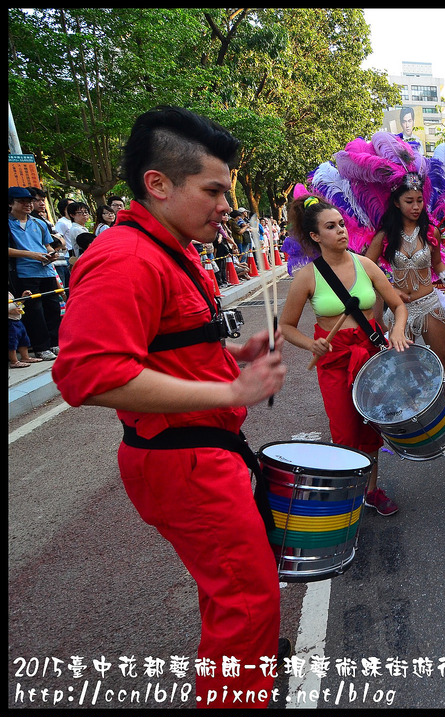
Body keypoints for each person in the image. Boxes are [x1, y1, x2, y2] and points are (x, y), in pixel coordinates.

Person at [51, 106, 288, 707]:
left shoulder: (169, 248)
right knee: (247, 602)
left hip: (202, 457)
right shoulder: (126, 258)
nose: (225, 205)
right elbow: (87, 374)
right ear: (158, 184)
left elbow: (166, 341)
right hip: (185, 464)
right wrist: (229, 393)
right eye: (212, 190)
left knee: (234, 597)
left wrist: (232, 352)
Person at [279, 196, 410, 516]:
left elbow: (399, 305)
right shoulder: (307, 277)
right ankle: (348, 495)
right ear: (315, 236)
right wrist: (311, 345)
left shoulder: (366, 265)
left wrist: (397, 330)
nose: (340, 231)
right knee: (345, 432)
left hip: (370, 355)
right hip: (335, 361)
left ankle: (371, 491)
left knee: (371, 428)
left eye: (341, 224)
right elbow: (285, 326)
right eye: (330, 227)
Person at [364, 173, 445, 437]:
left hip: (428, 304)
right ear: (396, 203)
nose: (416, 206)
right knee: (406, 369)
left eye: (419, 201)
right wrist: (387, 291)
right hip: (400, 313)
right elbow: (366, 268)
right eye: (409, 201)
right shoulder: (385, 236)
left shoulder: (430, 231)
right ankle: (417, 420)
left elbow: (437, 263)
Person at [8, 186, 62, 360]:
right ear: (11, 203)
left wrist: (51, 255)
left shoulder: (39, 222)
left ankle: (55, 343)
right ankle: (41, 346)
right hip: (25, 273)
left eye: (30, 201)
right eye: (22, 201)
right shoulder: (9, 223)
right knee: (34, 311)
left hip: (45, 270)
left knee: (52, 308)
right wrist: (31, 254)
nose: (28, 205)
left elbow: (47, 245)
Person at [8, 291, 44, 368]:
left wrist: (23, 298)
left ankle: (25, 357)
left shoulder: (9, 293)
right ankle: (14, 361)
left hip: (17, 319)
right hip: (10, 321)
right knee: (12, 342)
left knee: (24, 339)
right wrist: (10, 311)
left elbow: (16, 303)